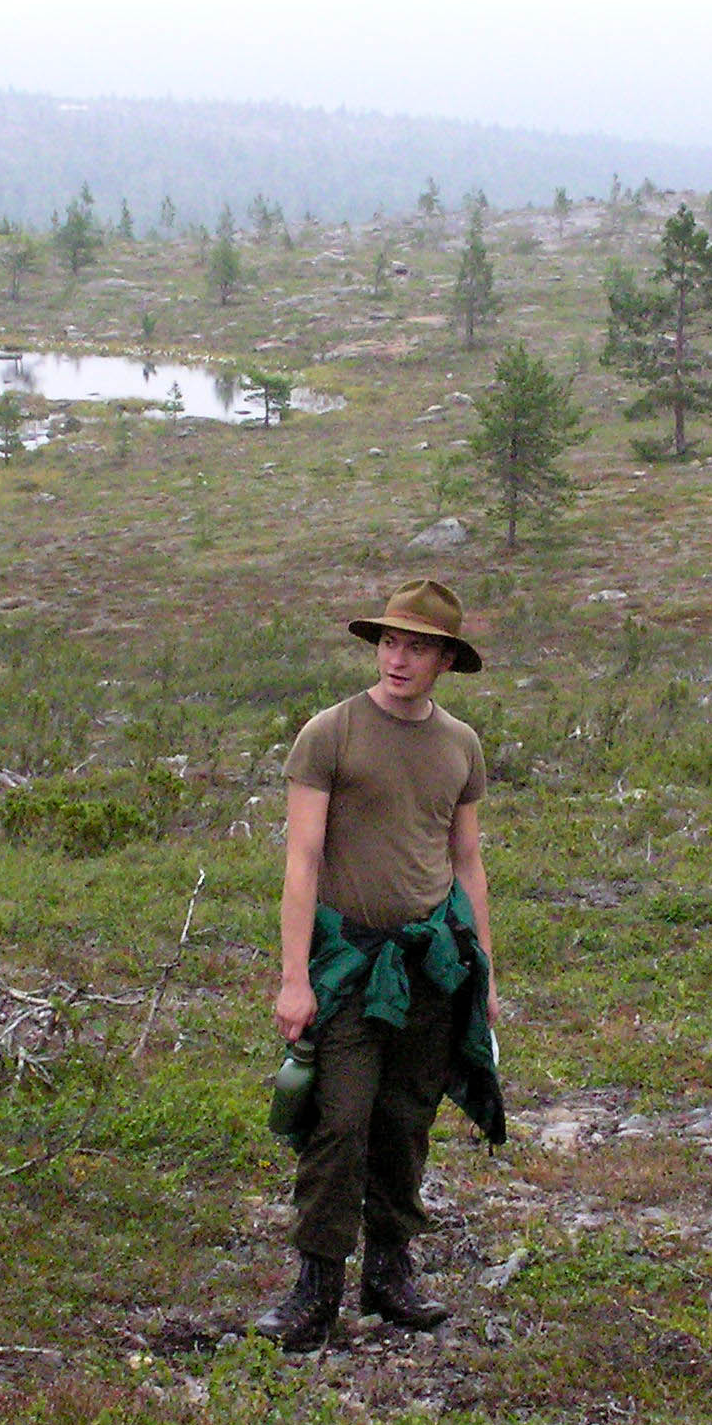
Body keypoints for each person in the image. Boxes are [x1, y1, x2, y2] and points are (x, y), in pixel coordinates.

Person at [252, 579, 506, 1351]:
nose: (399, 659)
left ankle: (390, 1275)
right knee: (340, 1121)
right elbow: (302, 862)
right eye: (391, 643)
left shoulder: (460, 746)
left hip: (431, 967)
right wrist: (295, 978)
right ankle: (315, 1289)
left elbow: (467, 862)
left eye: (417, 647)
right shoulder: (329, 735)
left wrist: (485, 974)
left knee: (405, 1122)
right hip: (349, 967)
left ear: (445, 660)